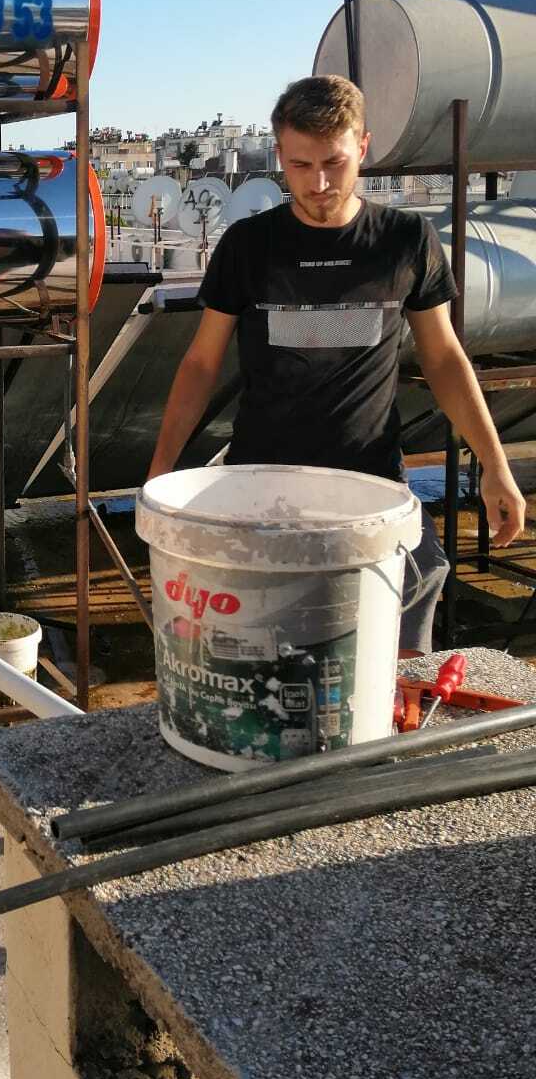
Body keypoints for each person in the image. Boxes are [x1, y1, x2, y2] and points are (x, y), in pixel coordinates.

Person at [147, 75, 526, 653]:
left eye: (335, 163)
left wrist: (495, 464)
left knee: (400, 633)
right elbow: (200, 364)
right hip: (260, 486)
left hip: (371, 482)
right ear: (280, 156)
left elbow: (445, 357)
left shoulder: (404, 238)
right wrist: (161, 471)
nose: (320, 184)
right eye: (301, 166)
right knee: (264, 648)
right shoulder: (248, 245)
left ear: (364, 147)